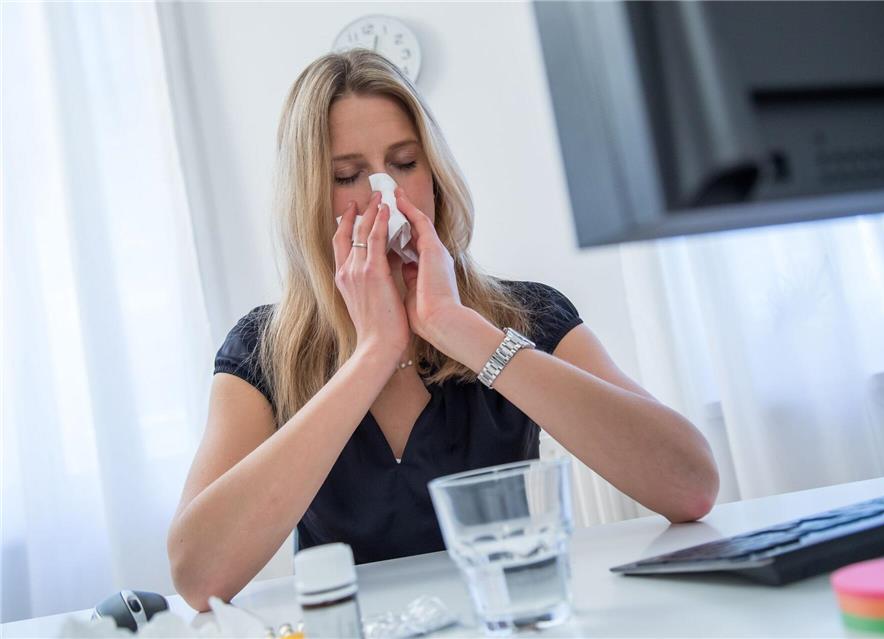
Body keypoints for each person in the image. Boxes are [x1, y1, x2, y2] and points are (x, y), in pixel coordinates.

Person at [167, 49, 719, 612]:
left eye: (404, 163)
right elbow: (198, 574)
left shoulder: (527, 314)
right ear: (308, 196)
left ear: (435, 176)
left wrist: (462, 330)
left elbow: (690, 485)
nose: (386, 195)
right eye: (347, 175)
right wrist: (373, 353)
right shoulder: (263, 350)